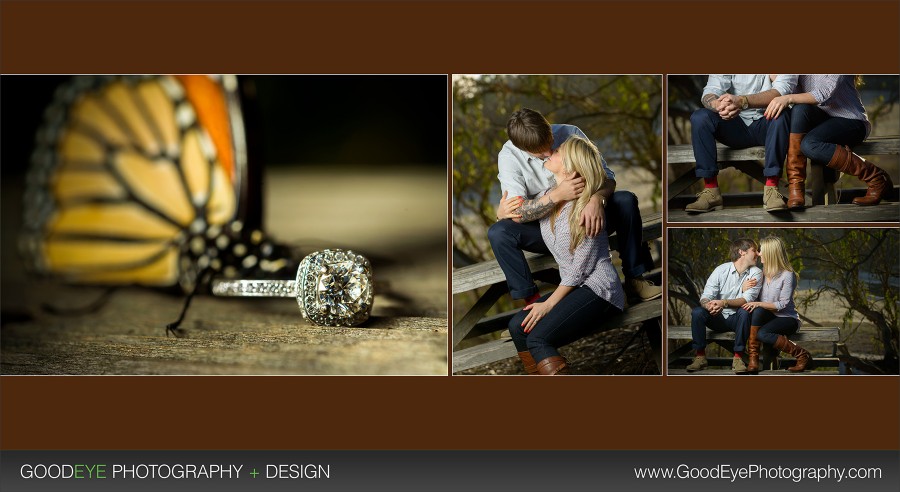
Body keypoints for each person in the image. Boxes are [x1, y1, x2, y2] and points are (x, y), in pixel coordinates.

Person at [489, 108, 660, 308]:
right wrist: (558, 195)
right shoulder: (509, 157)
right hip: (549, 232)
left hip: (587, 223)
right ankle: (532, 305)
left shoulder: (570, 132)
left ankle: (635, 279)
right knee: (499, 233)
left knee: (625, 200)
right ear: (522, 148)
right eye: (539, 153)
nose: (549, 153)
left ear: (549, 128)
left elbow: (607, 178)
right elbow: (516, 213)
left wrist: (597, 199)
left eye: (551, 144)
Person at [507, 136, 625, 375]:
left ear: (571, 165)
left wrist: (548, 304)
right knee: (516, 327)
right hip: (576, 288)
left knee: (538, 339)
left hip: (599, 290)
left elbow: (580, 269)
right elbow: (519, 211)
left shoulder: (586, 209)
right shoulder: (551, 196)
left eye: (558, 151)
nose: (550, 152)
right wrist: (503, 211)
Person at [765, 75, 893, 208]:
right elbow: (783, 82)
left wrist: (788, 98)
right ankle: (796, 190)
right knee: (799, 109)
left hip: (851, 120)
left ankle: (876, 178)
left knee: (809, 145)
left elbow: (822, 93)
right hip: (822, 121)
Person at [685, 75, 798, 213]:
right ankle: (711, 190)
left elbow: (780, 92)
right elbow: (710, 91)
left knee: (782, 113)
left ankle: (772, 189)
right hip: (734, 125)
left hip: (768, 124)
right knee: (700, 117)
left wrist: (742, 101)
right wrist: (718, 105)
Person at [686, 238, 763, 374]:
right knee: (698, 312)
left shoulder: (756, 272)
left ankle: (738, 358)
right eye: (753, 250)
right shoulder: (721, 270)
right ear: (742, 252)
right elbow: (706, 296)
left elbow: (747, 299)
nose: (757, 253)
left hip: (738, 320)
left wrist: (723, 302)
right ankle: (700, 357)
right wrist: (709, 306)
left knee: (745, 312)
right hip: (718, 317)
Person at [741, 236, 810, 373]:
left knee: (762, 333)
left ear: (771, 253)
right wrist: (744, 288)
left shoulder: (787, 275)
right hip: (768, 317)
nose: (759, 254)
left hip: (787, 319)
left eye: (762, 251)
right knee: (758, 311)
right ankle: (753, 360)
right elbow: (751, 296)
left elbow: (783, 304)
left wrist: (758, 303)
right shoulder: (759, 274)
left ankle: (802, 355)